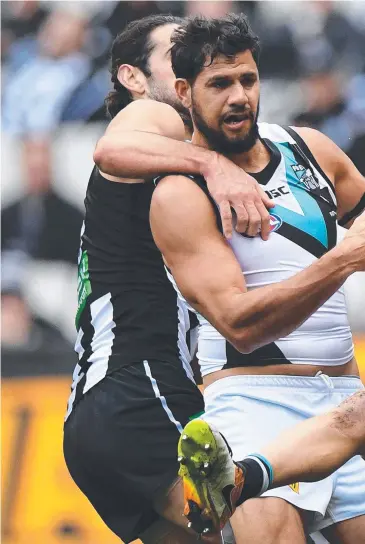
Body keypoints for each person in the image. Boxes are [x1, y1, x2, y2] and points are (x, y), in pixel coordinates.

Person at [150, 14, 365, 544]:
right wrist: (341, 260)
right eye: (220, 84)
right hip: (253, 403)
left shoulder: (312, 148)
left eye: (247, 79)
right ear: (184, 91)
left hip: (345, 399)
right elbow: (241, 326)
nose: (239, 96)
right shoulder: (179, 193)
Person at [63, 14, 276, 544]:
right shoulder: (153, 116)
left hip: (104, 406)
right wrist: (215, 166)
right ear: (133, 77)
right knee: (263, 527)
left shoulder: (177, 144)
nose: (196, 60)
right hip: (142, 388)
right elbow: (108, 149)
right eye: (178, 52)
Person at [178, 389, 365, 540]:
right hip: (251, 399)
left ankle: (242, 481)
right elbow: (241, 340)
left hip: (345, 393)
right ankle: (242, 480)